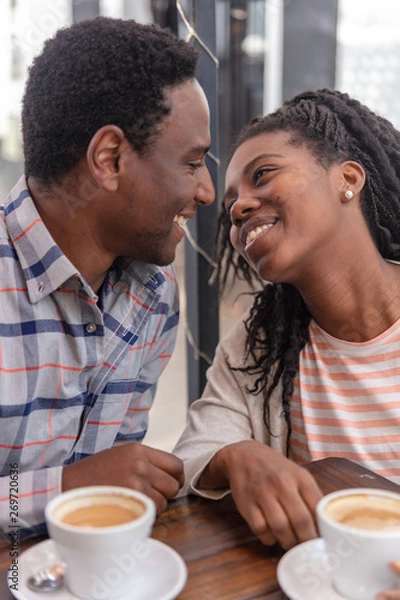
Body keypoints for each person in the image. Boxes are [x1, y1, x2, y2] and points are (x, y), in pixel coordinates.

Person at [0, 16, 214, 540]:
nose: (207, 191)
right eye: (192, 163)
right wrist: (67, 487)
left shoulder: (155, 297)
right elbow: (92, 486)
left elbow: (119, 493)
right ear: (110, 159)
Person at [174, 88, 400, 561]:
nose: (238, 209)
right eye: (232, 206)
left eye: (263, 175)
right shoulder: (257, 346)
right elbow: (194, 453)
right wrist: (238, 457)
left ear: (348, 179)